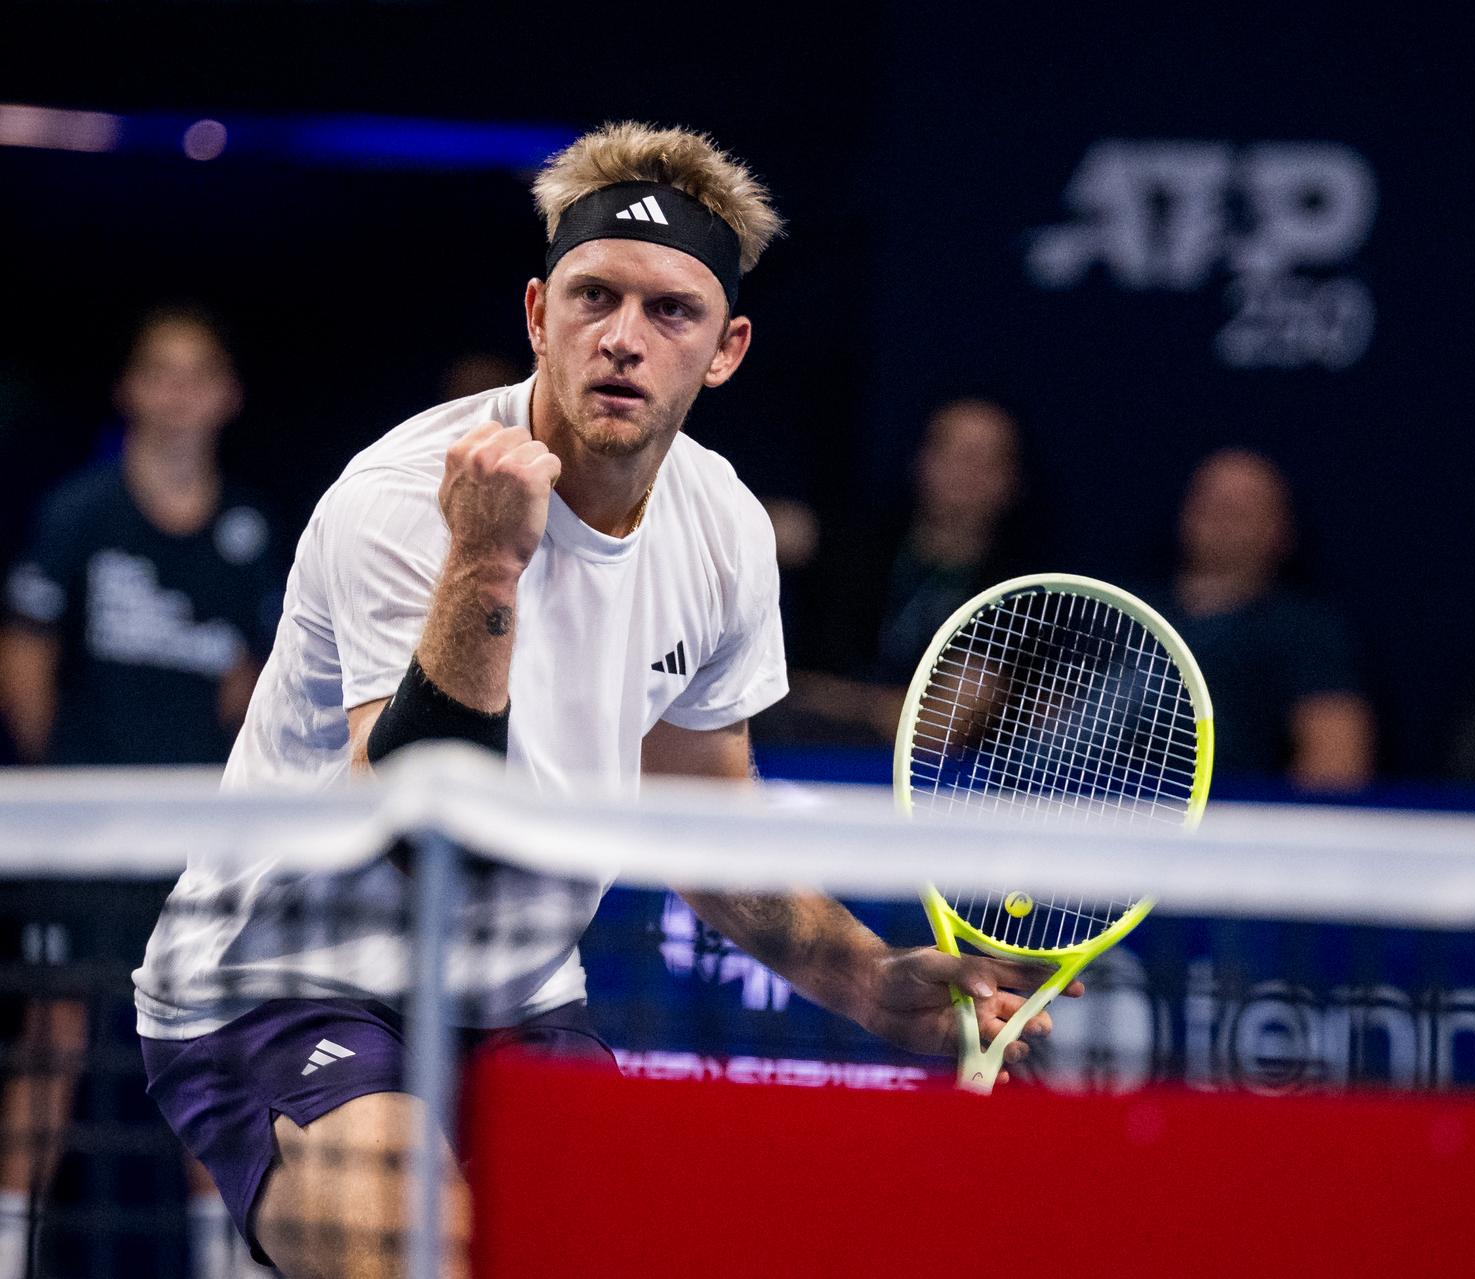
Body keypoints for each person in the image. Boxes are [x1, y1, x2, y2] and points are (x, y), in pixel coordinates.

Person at [130, 123, 1072, 1279]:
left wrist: (875, 986)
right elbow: (428, 840)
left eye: (670, 311)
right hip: (286, 979)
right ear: (537, 317)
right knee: (429, 1256)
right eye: (594, 298)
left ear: (725, 349)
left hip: (514, 994)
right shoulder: (399, 499)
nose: (624, 338)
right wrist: (483, 564)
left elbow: (705, 825)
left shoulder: (722, 530)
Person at [0, 306, 281, 1279]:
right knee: (55, 1039)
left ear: (225, 395)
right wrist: (68, 794)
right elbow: (24, 661)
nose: (178, 393)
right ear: (131, 390)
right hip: (86, 841)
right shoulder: (79, 514)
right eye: (159, 372)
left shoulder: (251, 533)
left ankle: (219, 1262)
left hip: (202, 843)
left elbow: (262, 685)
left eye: (196, 373)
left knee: (210, 1051)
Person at [781, 396, 1031, 740]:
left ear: (1012, 480)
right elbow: (762, 528)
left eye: (986, 459)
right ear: (923, 459)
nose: (968, 471)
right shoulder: (859, 542)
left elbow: (935, 726)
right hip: (801, 758)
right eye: (954, 453)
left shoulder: (1022, 597)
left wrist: (818, 695)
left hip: (927, 783)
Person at [1157, 448, 1373, 789]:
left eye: (1244, 506)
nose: (1223, 515)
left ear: (1281, 530)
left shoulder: (1306, 631)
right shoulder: (1117, 610)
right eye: (1211, 500)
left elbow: (1337, 767)